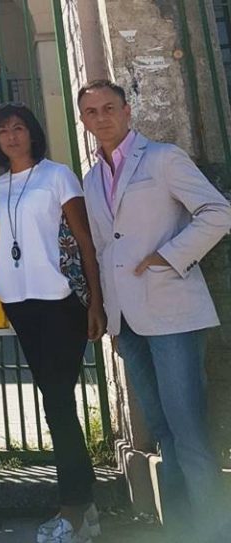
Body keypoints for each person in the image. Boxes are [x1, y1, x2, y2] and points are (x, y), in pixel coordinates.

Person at [78, 79, 231, 542]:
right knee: (162, 429)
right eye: (91, 112)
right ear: (83, 122)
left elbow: (218, 213)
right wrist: (101, 308)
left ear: (128, 112)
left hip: (172, 312)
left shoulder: (162, 158)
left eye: (109, 108)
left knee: (188, 428)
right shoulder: (90, 178)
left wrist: (168, 256)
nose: (101, 118)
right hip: (126, 320)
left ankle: (214, 528)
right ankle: (180, 527)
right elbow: (105, 249)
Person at [0, 102, 107, 543]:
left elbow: (83, 238)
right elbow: (4, 243)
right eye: (3, 131)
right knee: (55, 403)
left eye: (19, 127)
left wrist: (95, 301)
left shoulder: (58, 176)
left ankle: (71, 511)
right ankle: (87, 507)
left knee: (57, 404)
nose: (12, 136)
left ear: (33, 132)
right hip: (21, 303)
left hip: (61, 301)